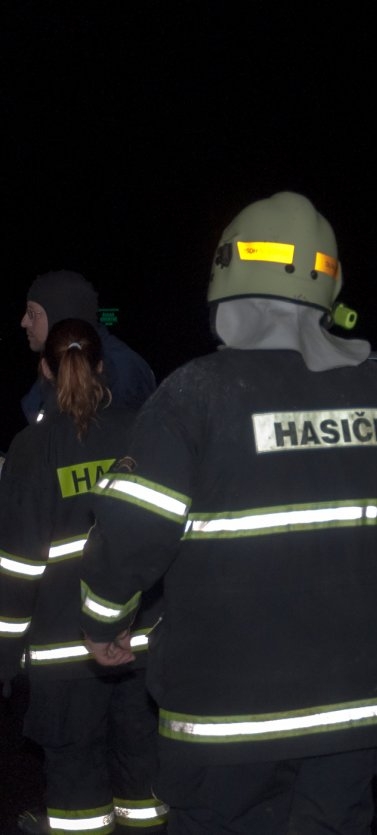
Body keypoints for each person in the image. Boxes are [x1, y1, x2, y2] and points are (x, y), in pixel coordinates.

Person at [76, 191, 377, 831]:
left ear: (226, 283)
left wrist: (102, 623)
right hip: (349, 722)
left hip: (223, 728)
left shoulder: (192, 397)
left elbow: (128, 534)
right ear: (327, 285)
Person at [0, 318, 166, 833]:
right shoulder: (142, 433)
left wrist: (5, 656)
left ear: (46, 369)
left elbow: (17, 566)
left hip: (62, 661)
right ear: (100, 364)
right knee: (145, 793)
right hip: (137, 645)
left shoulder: (30, 450)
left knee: (77, 804)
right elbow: (164, 539)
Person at [20, 270, 157, 425]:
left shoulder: (120, 371)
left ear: (60, 314)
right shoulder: (59, 362)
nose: (24, 322)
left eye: (32, 313)